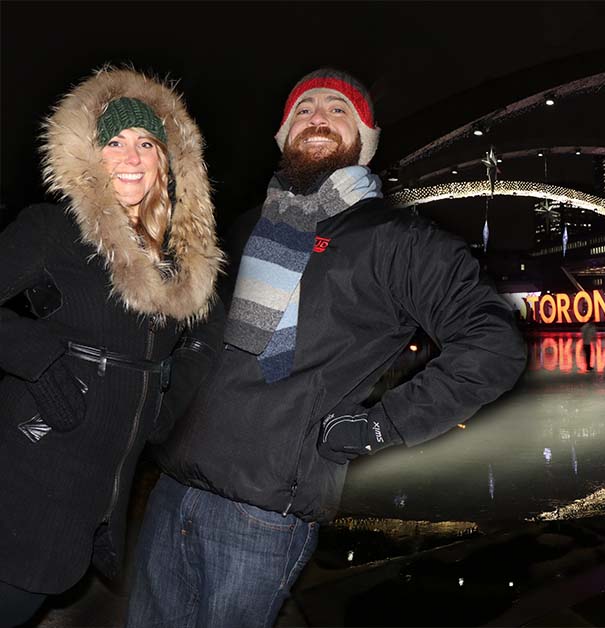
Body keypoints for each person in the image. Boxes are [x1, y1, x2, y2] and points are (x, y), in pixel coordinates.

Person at [126, 69, 527, 627]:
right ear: (285, 134)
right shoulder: (247, 227)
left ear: (364, 138)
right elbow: (195, 341)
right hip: (172, 487)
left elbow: (493, 345)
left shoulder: (395, 238)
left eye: (338, 110)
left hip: (263, 514)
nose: (318, 116)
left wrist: (380, 426)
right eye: (304, 109)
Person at [0, 68, 223, 625]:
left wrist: (158, 411)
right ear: (90, 155)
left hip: (101, 483)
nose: (131, 155)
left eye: (146, 143)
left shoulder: (176, 259)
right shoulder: (55, 228)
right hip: (32, 464)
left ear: (165, 163)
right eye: (114, 141)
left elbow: (198, 346)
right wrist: (36, 357)